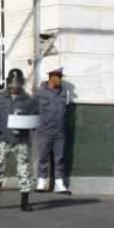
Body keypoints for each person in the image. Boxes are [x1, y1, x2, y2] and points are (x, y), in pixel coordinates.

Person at [0, 68, 40, 211]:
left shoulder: (29, 100)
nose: (15, 86)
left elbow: (35, 119)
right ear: (8, 83)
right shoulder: (0, 98)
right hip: (3, 139)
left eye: (18, 83)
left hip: (22, 140)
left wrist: (29, 123)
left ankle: (24, 201)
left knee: (24, 170)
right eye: (12, 83)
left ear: (21, 83)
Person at [35, 65, 71, 194]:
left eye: (60, 76)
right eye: (58, 76)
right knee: (43, 157)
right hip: (44, 130)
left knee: (59, 158)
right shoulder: (40, 92)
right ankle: (41, 182)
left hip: (59, 131)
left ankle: (59, 183)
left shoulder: (64, 93)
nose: (60, 79)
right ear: (51, 77)